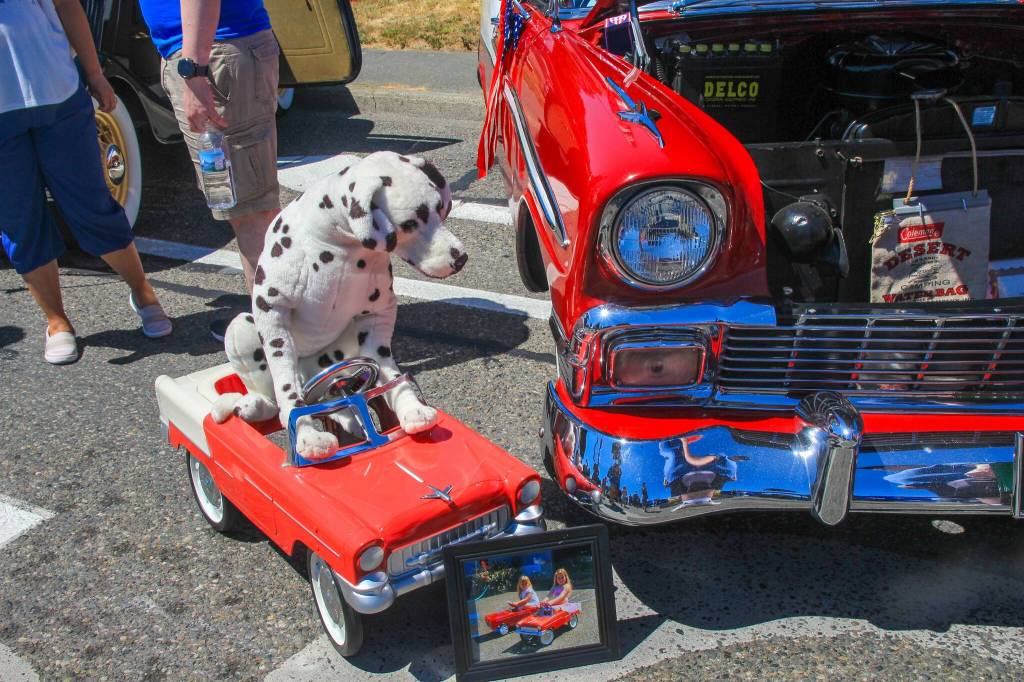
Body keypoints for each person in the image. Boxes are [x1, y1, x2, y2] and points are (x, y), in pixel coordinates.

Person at [0, 0, 172, 365]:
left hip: (57, 93)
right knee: (19, 220)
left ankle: (142, 292)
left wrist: (94, 74)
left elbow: (66, 4)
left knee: (92, 206)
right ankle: (57, 321)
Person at [137, 0, 281, 339]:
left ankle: (278, 336)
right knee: (245, 206)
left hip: (213, 58)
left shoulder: (200, 65)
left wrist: (194, 69)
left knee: (252, 211)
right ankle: (279, 325)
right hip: (211, 53)